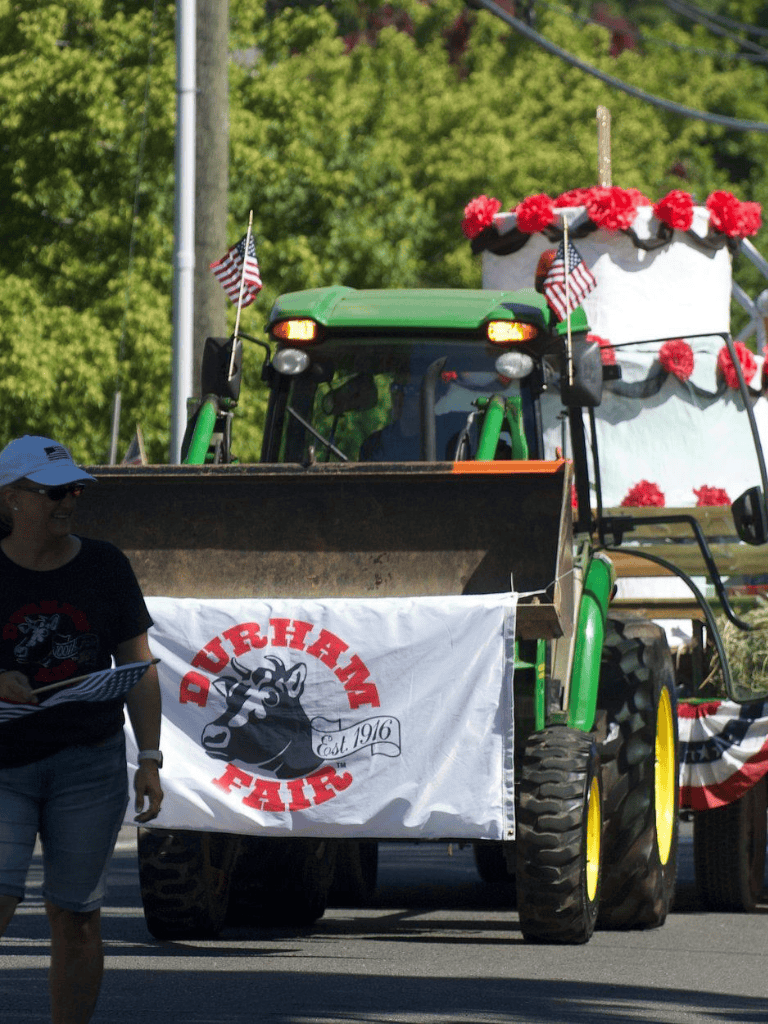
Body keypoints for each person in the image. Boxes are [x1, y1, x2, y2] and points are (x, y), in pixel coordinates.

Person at [0, 435, 163, 1024]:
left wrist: (149, 757)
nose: (68, 502)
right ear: (12, 499)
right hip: (4, 766)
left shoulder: (105, 565)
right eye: (53, 492)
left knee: (77, 916)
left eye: (74, 489)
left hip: (89, 765)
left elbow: (138, 665)